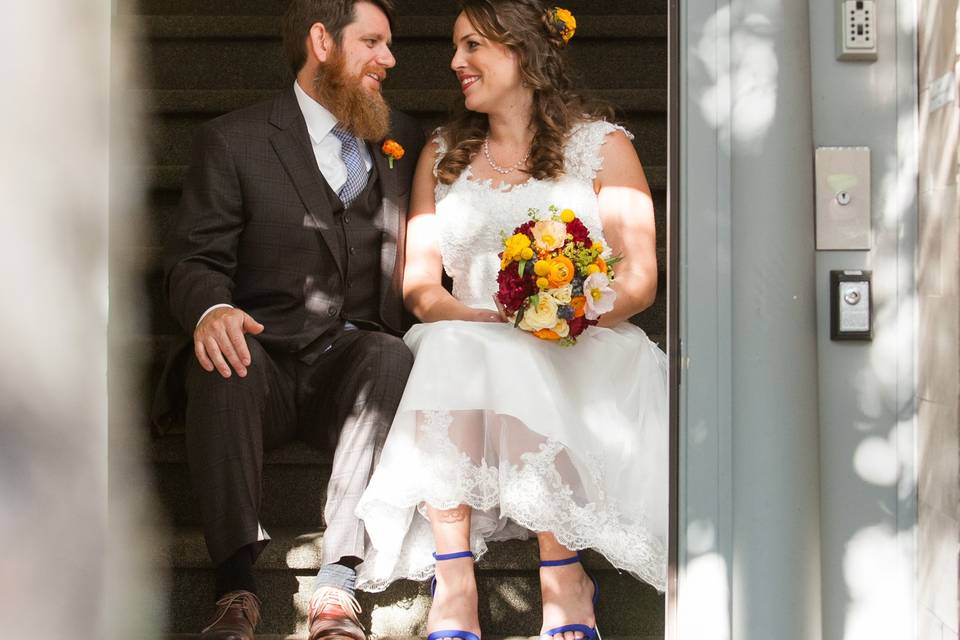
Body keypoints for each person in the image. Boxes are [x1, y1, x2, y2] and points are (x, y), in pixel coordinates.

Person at [352, 2, 668, 640]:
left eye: (472, 46)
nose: (455, 62)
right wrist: (488, 316)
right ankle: (456, 576)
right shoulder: (443, 153)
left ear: (523, 51)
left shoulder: (601, 147)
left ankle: (562, 573)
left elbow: (639, 277)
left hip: (584, 348)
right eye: (455, 48)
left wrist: (573, 314)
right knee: (459, 345)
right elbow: (420, 285)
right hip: (469, 341)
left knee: (498, 350)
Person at [151, 1, 425, 638]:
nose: (389, 60)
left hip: (352, 371)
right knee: (221, 357)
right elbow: (193, 258)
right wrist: (212, 309)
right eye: (374, 43)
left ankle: (338, 584)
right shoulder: (235, 138)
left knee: (390, 355)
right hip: (263, 366)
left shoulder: (405, 139)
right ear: (321, 40)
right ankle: (235, 587)